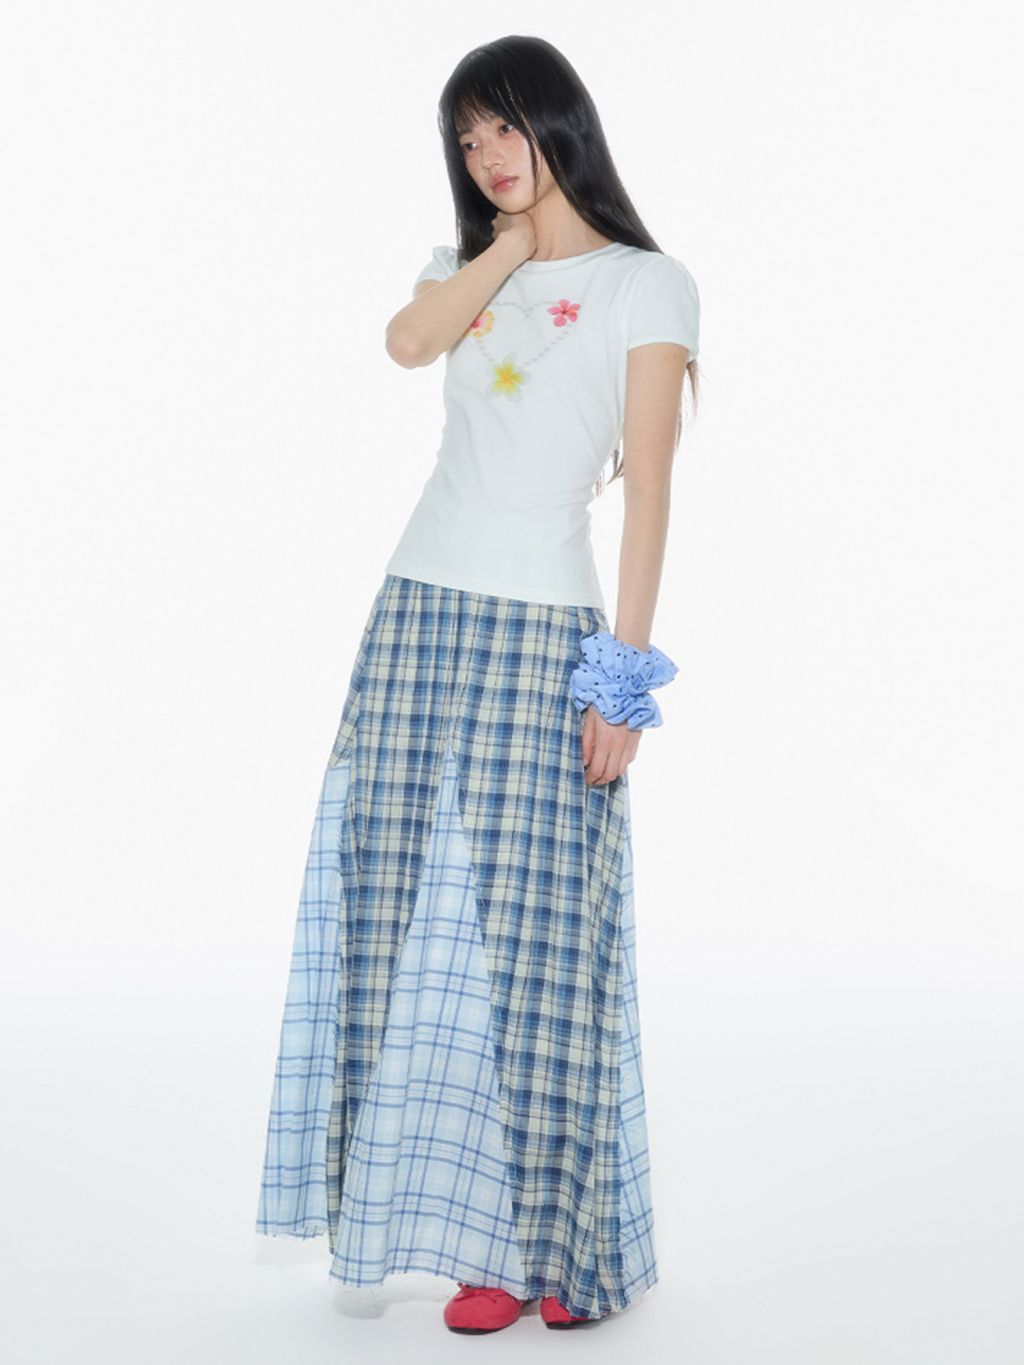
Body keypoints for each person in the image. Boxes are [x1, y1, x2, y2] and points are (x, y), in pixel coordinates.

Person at [255, 33, 700, 1335]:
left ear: (563, 124)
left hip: (545, 634)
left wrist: (621, 682)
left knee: (539, 948)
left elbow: (650, 494)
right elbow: (406, 343)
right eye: (468, 137)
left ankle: (558, 1245)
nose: (489, 153)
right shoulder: (457, 269)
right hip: (416, 616)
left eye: (508, 126)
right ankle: (477, 1244)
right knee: (389, 919)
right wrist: (506, 247)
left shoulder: (650, 284)